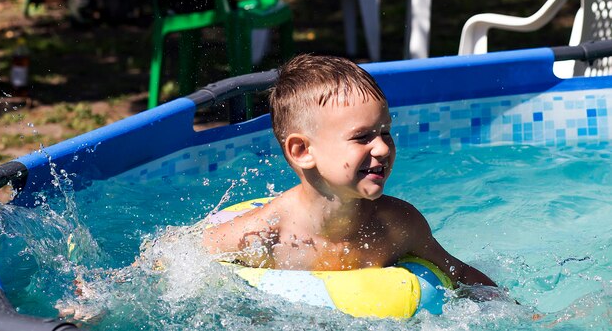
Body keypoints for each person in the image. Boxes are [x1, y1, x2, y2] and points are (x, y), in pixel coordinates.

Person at [202, 54, 496, 287]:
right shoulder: (263, 236)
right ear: (303, 151)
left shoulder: (397, 225)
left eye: (385, 132)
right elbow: (178, 258)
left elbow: (459, 275)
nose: (382, 148)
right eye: (362, 137)